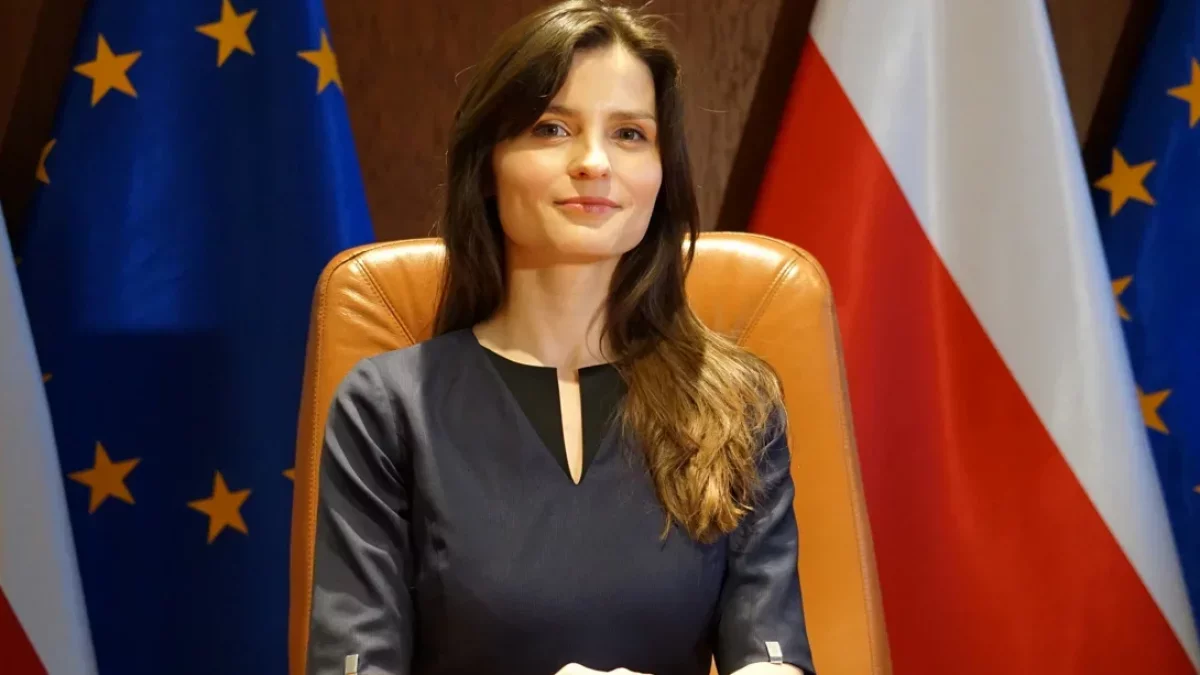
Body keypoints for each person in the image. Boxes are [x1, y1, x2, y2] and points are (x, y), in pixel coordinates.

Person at [304, 1, 815, 674]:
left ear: (663, 174)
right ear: (488, 166)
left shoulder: (738, 404)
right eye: (552, 128)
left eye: (630, 134)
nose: (595, 162)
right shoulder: (387, 408)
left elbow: (773, 655)